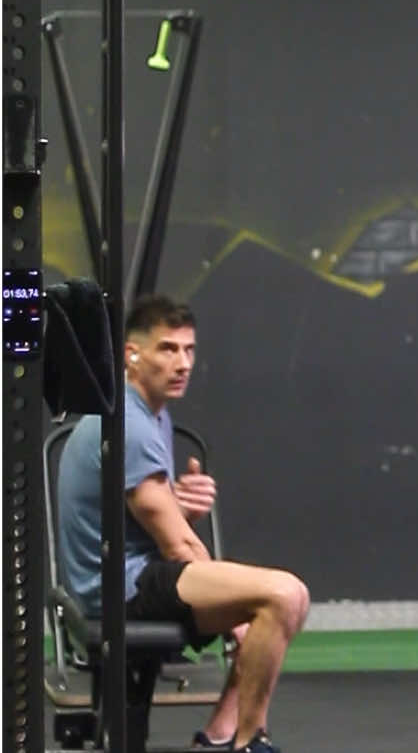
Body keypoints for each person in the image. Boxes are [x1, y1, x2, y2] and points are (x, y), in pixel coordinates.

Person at [56, 295, 309, 752]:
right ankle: (249, 742)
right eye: (168, 349)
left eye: (189, 350)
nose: (183, 363)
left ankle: (217, 739)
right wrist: (231, 614)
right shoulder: (128, 425)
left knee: (270, 609)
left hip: (128, 578)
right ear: (132, 354)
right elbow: (177, 548)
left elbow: (139, 514)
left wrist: (176, 504)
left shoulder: (145, 412)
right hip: (119, 592)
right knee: (284, 596)